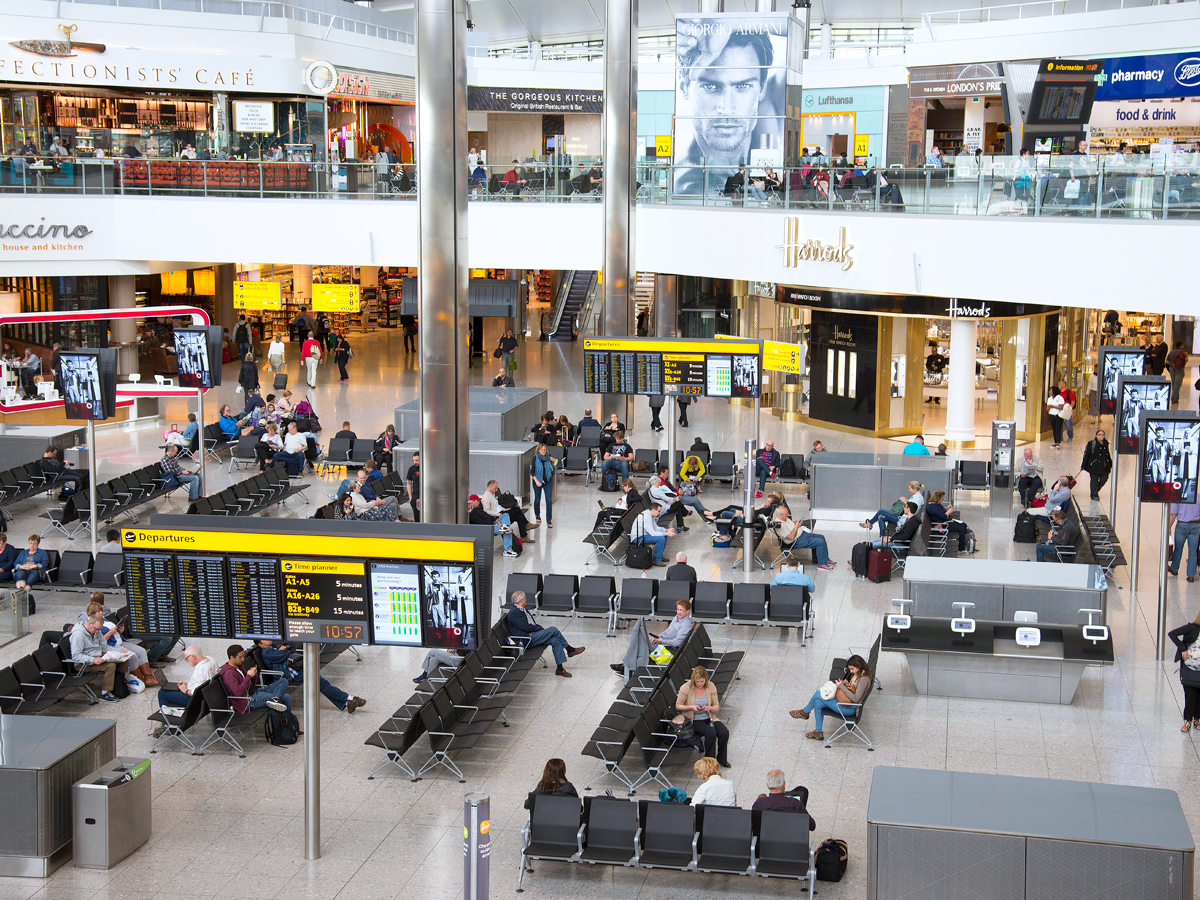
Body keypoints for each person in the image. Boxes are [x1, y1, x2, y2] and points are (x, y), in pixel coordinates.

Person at [672, 27, 775, 195]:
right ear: (684, 87)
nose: (726, 108)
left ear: (762, 88)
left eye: (742, 86)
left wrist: (734, 24)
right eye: (710, 86)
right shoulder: (691, 189)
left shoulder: (762, 158)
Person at [255, 639, 365, 713]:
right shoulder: (266, 653)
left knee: (321, 683)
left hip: (297, 670)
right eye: (264, 639)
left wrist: (285, 648)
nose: (268, 638)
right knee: (320, 682)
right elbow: (283, 654)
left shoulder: (275, 645)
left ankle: (346, 702)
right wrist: (285, 650)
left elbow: (292, 645)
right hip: (288, 675)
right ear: (260, 644)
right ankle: (348, 698)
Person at [790, 654, 872, 741]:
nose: (851, 671)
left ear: (858, 667)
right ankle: (818, 732)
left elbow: (856, 698)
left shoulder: (863, 680)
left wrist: (842, 686)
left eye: (852, 669)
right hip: (848, 704)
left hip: (850, 708)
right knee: (818, 702)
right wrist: (846, 685)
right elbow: (855, 690)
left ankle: (804, 712)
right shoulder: (859, 676)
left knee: (819, 693)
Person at [506, 591, 584, 678]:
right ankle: (569, 649)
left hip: (532, 634)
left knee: (555, 640)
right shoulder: (514, 612)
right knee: (553, 629)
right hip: (527, 639)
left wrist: (540, 627)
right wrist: (541, 628)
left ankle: (560, 669)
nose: (526, 600)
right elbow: (526, 627)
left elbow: (531, 624)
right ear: (521, 600)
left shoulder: (522, 609)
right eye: (525, 598)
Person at [611, 599, 694, 676]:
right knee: (641, 645)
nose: (679, 612)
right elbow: (667, 632)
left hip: (671, 648)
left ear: (687, 611)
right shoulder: (676, 618)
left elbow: (677, 643)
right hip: (665, 642)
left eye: (681, 610)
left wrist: (661, 641)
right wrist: (658, 637)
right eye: (678, 609)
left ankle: (626, 667)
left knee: (643, 648)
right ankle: (627, 666)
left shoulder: (686, 624)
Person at [676, 666, 729, 768]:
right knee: (711, 733)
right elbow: (678, 705)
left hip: (709, 716)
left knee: (724, 732)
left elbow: (716, 707)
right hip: (694, 719)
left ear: (706, 680)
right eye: (697, 682)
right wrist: (691, 707)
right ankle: (709, 762)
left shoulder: (711, 686)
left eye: (702, 681)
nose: (700, 684)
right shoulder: (686, 688)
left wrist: (709, 708)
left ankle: (722, 759)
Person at [69, 613, 130, 702]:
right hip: (84, 663)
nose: (97, 631)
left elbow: (105, 647)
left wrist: (119, 652)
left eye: (99, 629)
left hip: (97, 655)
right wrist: (93, 659)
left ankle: (118, 685)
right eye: (96, 629)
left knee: (123, 660)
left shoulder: (97, 631)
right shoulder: (78, 635)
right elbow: (76, 656)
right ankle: (105, 693)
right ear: (90, 623)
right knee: (110, 666)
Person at [220, 645, 290, 714]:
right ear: (232, 657)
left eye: (243, 656)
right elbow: (238, 692)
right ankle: (288, 721)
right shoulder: (229, 673)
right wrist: (248, 676)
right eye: (240, 657)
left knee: (284, 681)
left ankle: (275, 699)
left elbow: (253, 684)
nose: (242, 659)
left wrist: (253, 675)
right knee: (285, 697)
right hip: (249, 701)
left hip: (255, 692)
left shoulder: (239, 666)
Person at [156, 645, 221, 710]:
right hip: (210, 695)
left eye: (186, 659)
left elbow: (196, 693)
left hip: (196, 700)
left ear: (193, 657)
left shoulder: (200, 671)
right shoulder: (211, 659)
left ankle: (167, 714)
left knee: (162, 693)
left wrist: (186, 690)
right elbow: (203, 681)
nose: (186, 661)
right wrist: (188, 684)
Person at [750, 770, 816, 830]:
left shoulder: (759, 803)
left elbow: (753, 825)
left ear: (767, 785)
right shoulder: (795, 803)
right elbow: (812, 826)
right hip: (791, 841)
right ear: (784, 783)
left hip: (764, 842)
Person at [1168, 612, 1200, 731]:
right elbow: (1172, 634)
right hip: (1190, 668)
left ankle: (1198, 718)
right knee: (1190, 695)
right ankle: (1188, 721)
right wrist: (1183, 649)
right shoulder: (1192, 628)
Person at [468, 493, 518, 558]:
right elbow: (481, 523)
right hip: (488, 527)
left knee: (505, 515)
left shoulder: (478, 509)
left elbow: (486, 515)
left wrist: (495, 520)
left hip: (492, 523)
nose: (478, 502)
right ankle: (507, 550)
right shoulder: (472, 513)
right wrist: (492, 523)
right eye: (477, 501)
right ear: (473, 501)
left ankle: (505, 526)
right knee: (507, 531)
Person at [1167, 492, 1200, 583]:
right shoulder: (1198, 497)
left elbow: (1173, 515)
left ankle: (1174, 569)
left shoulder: (1178, 496)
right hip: (1195, 525)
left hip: (1182, 525)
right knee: (1193, 551)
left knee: (1178, 548)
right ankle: (1191, 575)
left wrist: (1168, 527)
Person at [632, 502, 676, 566]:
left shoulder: (650, 514)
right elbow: (652, 533)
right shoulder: (646, 517)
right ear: (653, 510)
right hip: (638, 538)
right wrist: (666, 533)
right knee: (661, 538)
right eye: (659, 511)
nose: (660, 513)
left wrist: (666, 530)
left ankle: (659, 556)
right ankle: (656, 560)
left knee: (664, 535)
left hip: (644, 535)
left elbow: (655, 527)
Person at [1081, 430, 1113, 500]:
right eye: (1099, 434)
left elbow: (1107, 454)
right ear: (1096, 436)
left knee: (1104, 479)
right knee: (1094, 481)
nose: (1101, 436)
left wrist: (1110, 463)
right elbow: (1087, 455)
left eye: (1103, 434)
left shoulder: (1105, 444)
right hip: (1094, 466)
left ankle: (1094, 490)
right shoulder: (1092, 444)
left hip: (1104, 466)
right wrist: (1083, 465)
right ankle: (1094, 495)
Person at [530, 443, 555, 527]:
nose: (543, 451)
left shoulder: (548, 457)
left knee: (549, 501)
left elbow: (555, 463)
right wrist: (536, 481)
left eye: (544, 450)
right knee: (537, 499)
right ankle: (537, 515)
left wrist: (554, 462)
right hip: (538, 481)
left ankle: (549, 520)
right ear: (538, 450)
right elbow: (532, 471)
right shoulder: (535, 458)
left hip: (547, 481)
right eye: (542, 450)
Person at [406, 450, 421, 521]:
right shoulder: (411, 469)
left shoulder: (426, 468)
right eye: (414, 460)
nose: (415, 462)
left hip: (425, 494)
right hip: (415, 495)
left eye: (417, 460)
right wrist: (410, 497)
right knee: (416, 516)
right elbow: (409, 483)